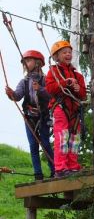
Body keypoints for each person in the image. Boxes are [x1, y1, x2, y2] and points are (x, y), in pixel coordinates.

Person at [5, 50, 55, 181]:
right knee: (33, 145)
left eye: (28, 61)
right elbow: (17, 96)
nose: (26, 64)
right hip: (29, 116)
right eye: (25, 62)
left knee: (45, 143)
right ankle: (38, 174)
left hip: (43, 116)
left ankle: (54, 170)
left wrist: (41, 89)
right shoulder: (24, 82)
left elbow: (51, 95)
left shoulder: (45, 80)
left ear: (37, 63)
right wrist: (11, 94)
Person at [46, 41, 87, 177]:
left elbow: (83, 95)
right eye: (64, 52)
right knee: (63, 136)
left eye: (69, 52)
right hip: (60, 107)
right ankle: (61, 167)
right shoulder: (53, 72)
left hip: (74, 110)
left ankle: (73, 166)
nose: (68, 54)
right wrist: (65, 82)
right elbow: (50, 89)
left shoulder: (78, 76)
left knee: (74, 138)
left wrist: (78, 89)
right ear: (56, 56)